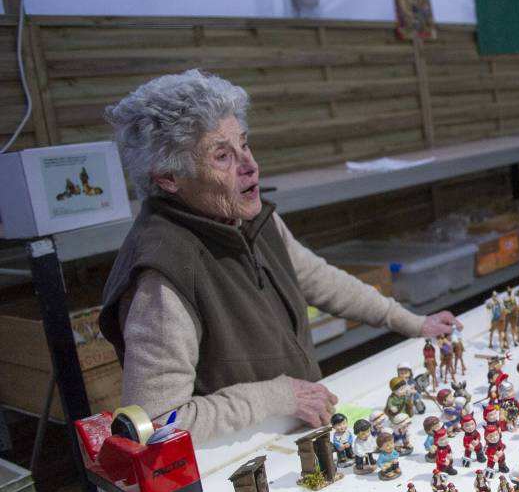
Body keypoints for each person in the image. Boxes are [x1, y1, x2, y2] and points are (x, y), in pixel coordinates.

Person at [99, 70, 462, 441]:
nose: (249, 165)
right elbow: (156, 423)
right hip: (232, 460)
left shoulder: (246, 218)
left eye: (245, 144)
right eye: (222, 156)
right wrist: (276, 396)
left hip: (290, 433)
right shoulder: (163, 275)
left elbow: (319, 279)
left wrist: (410, 322)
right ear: (168, 178)